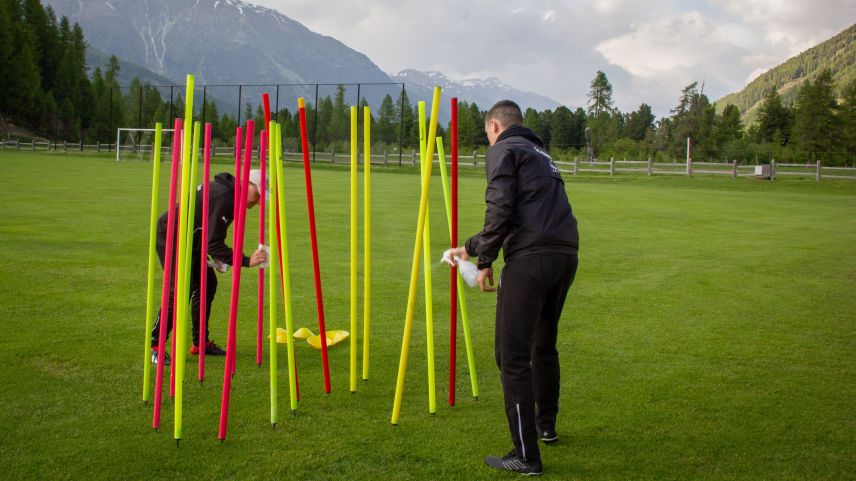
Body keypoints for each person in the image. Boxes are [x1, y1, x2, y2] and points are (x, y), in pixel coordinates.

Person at [447, 100, 579, 475]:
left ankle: (526, 454)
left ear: (494, 125)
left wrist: (485, 262)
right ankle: (545, 426)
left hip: (532, 261)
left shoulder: (503, 149)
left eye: (487, 132)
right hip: (564, 255)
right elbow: (526, 215)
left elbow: (501, 209)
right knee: (543, 343)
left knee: (511, 355)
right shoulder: (540, 153)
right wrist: (471, 248)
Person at [150, 170, 268, 365]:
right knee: (179, 291)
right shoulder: (225, 199)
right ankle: (156, 346)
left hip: (191, 240)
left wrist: (216, 258)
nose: (257, 203)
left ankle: (200, 344)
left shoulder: (231, 196)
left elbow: (208, 235)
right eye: (257, 196)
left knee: (207, 284)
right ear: (248, 184)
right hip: (171, 236)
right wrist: (247, 261)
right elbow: (214, 244)